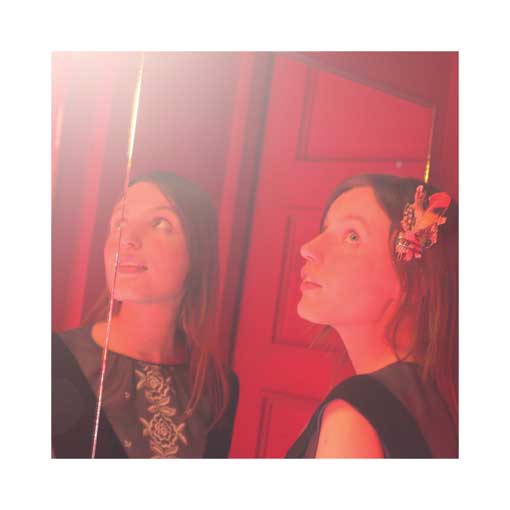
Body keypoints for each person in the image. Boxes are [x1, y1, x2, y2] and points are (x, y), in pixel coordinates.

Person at [52, 171, 238, 458]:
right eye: (120, 223)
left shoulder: (217, 388)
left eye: (160, 223)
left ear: (198, 252)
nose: (127, 239)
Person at [286, 173, 458, 458]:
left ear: (414, 282)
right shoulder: (441, 400)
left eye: (352, 236)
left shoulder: (355, 419)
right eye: (325, 229)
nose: (308, 249)